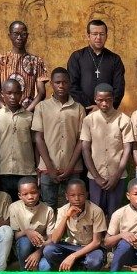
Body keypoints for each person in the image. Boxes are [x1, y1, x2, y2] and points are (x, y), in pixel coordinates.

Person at [33, 67, 85, 210]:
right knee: (48, 206)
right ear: (51, 84)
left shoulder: (79, 108)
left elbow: (81, 140)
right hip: (47, 168)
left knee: (73, 206)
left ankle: (70, 233)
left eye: (64, 82)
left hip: (72, 168)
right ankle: (50, 233)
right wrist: (50, 167)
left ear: (70, 83)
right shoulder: (41, 107)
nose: (61, 86)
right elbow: (38, 138)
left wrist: (69, 168)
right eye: (57, 82)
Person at [81, 83, 134, 218]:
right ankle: (98, 239)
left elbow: (127, 150)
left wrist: (116, 176)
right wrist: (97, 177)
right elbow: (85, 149)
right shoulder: (89, 120)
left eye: (108, 100)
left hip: (118, 176)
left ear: (113, 99)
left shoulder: (124, 120)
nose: (104, 103)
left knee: (114, 213)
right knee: (96, 213)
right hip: (95, 176)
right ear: (95, 99)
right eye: (100, 100)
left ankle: (112, 238)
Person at [38, 179, 107, 271]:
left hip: (90, 248)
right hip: (70, 246)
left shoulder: (96, 211)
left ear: (86, 195)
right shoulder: (63, 210)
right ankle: (76, 267)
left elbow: (97, 242)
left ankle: (78, 266)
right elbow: (54, 239)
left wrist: (73, 256)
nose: (77, 199)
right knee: (48, 250)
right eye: (72, 195)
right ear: (67, 196)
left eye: (81, 195)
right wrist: (66, 216)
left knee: (95, 261)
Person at [0, 79, 37, 200]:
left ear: (21, 94)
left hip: (25, 171)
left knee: (25, 207)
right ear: (2, 94)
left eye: (16, 93)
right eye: (9, 93)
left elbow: (35, 145)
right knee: (5, 208)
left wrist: (37, 169)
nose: (13, 96)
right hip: (2, 171)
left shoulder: (30, 117)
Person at [0, 21, 47, 112]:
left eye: (23, 34)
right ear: (10, 36)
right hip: (4, 113)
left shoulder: (36, 61)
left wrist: (27, 112)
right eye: (16, 34)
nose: (19, 38)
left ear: (27, 36)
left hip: (27, 113)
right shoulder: (1, 60)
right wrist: (4, 110)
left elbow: (41, 93)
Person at [68, 19, 126, 110]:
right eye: (95, 34)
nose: (98, 37)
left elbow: (119, 89)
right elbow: (72, 86)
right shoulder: (77, 57)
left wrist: (103, 107)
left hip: (108, 111)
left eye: (102, 34)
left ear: (106, 36)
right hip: (82, 110)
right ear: (88, 36)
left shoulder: (115, 59)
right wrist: (89, 107)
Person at [105, 178, 137, 272]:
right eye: (135, 194)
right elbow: (107, 242)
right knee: (125, 244)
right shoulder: (119, 214)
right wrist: (122, 235)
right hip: (125, 253)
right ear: (128, 196)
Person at [9, 177, 56, 271]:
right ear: (19, 195)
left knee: (45, 267)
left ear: (39, 192)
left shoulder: (48, 210)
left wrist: (38, 253)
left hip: (42, 247)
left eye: (33, 192)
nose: (30, 197)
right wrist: (27, 232)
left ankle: (36, 271)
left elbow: (51, 239)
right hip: (23, 247)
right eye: (25, 194)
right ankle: (25, 271)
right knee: (25, 241)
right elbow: (14, 236)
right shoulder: (14, 207)